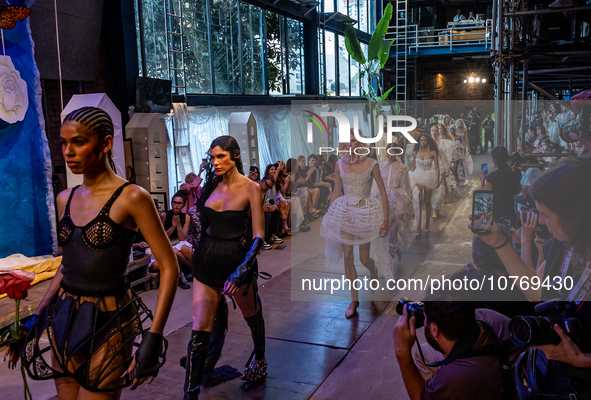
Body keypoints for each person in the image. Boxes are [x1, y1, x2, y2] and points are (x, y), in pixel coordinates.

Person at [19, 107, 178, 398]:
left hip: (110, 321)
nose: (68, 152)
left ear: (106, 143)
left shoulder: (132, 197)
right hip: (64, 318)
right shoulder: (65, 198)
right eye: (64, 143)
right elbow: (67, 266)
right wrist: (38, 315)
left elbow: (169, 267)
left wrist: (153, 337)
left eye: (79, 142)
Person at [184, 135, 267, 399]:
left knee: (253, 318)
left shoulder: (251, 188)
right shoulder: (210, 186)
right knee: (199, 332)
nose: (215, 162)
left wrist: (243, 269)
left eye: (220, 156)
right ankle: (190, 394)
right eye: (212, 157)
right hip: (206, 262)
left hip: (236, 264)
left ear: (236, 155)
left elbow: (259, 235)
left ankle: (259, 362)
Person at [320, 129, 388, 318]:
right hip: (346, 211)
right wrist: (330, 213)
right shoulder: (340, 164)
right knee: (348, 256)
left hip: (365, 210)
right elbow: (337, 190)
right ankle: (354, 299)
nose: (350, 144)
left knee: (364, 259)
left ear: (361, 143)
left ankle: (373, 270)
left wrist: (386, 219)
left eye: (354, 140)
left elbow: (382, 192)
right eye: (347, 141)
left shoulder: (372, 164)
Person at [393, 300, 522, 400]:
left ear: (434, 329)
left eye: (425, 318)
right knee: (424, 354)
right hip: (510, 374)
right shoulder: (487, 316)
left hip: (493, 382)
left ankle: (437, 394)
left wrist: (402, 353)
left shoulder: (455, 377)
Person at [372, 143, 414, 271]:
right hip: (382, 198)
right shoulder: (380, 166)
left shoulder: (403, 167)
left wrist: (410, 204)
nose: (391, 155)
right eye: (389, 152)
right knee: (383, 228)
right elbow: (376, 185)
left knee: (394, 228)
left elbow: (407, 186)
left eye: (394, 152)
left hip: (397, 199)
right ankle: (390, 252)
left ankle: (391, 258)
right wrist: (373, 199)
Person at [480, 146, 522, 225]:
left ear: (494, 160)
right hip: (511, 214)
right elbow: (519, 189)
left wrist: (482, 180)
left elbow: (484, 199)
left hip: (496, 217)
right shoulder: (516, 173)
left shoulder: (493, 177)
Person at [410, 134, 440, 237]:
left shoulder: (433, 152)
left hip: (428, 176)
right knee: (418, 200)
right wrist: (410, 171)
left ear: (428, 141)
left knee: (427, 201)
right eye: (421, 140)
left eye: (425, 140)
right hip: (417, 176)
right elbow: (414, 166)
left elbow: (436, 167)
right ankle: (418, 225)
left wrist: (438, 178)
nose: (423, 142)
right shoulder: (415, 153)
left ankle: (427, 223)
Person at [432, 124, 454, 219]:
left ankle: (436, 210)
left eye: (435, 130)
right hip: (431, 166)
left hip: (441, 165)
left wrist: (448, 167)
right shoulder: (428, 142)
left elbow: (447, 155)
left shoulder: (443, 142)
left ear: (438, 131)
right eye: (432, 130)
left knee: (439, 186)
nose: (434, 132)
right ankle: (433, 207)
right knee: (432, 187)